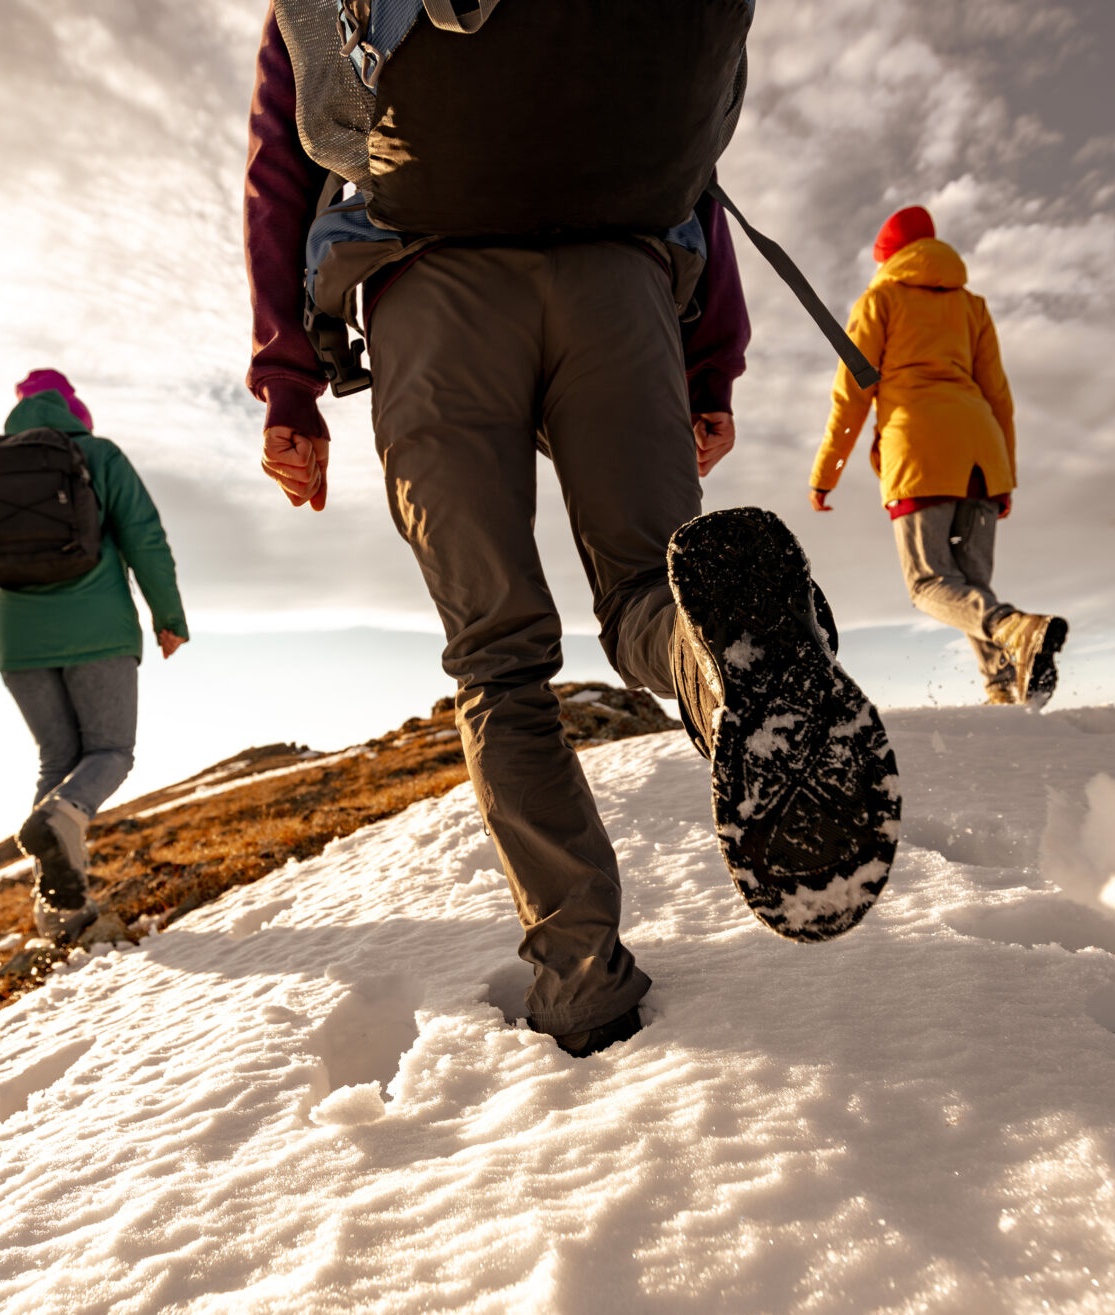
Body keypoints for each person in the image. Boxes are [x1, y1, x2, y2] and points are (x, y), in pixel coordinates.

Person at [245, 5, 899, 1058]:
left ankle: (581, 976)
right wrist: (708, 361)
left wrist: (286, 380)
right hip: (620, 273)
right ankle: (733, 666)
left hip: (427, 281)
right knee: (651, 585)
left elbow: (283, 164)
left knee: (497, 659)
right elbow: (696, 166)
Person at [0, 370, 188, 944]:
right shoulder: (98, 454)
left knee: (56, 760)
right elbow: (144, 537)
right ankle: (62, 830)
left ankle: (60, 912)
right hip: (97, 629)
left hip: (16, 640)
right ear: (76, 413)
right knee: (108, 751)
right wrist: (168, 615)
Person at [809, 206, 1068, 706]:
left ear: (885, 258)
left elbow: (853, 393)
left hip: (920, 450)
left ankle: (1011, 627)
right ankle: (1003, 688)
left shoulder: (880, 297)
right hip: (982, 456)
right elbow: (999, 396)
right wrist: (1004, 477)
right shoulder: (972, 306)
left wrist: (827, 473)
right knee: (970, 582)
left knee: (929, 583)